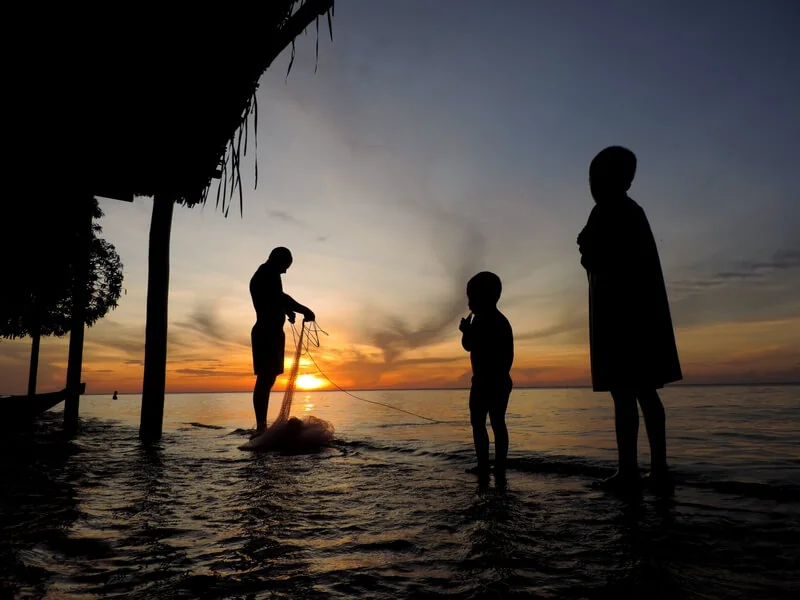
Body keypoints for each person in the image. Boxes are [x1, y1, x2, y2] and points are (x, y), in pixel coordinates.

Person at [577, 146, 682, 492]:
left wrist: (585, 246)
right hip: (636, 314)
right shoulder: (630, 211)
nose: (593, 185)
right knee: (643, 392)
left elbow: (601, 260)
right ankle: (655, 469)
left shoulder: (610, 211)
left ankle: (631, 471)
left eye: (596, 178)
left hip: (621, 316)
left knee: (627, 394)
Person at [250, 247, 315, 435]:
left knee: (268, 378)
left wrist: (286, 311)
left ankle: (261, 424)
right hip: (266, 333)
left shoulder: (269, 274)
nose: (286, 271)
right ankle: (261, 425)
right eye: (285, 266)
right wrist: (304, 310)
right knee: (265, 379)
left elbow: (271, 299)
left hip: (273, 333)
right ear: (277, 260)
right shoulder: (266, 273)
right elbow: (279, 297)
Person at [459, 271, 514, 478]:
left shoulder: (488, 321)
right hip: (494, 381)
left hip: (488, 381)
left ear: (486, 297)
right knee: (492, 423)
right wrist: (467, 331)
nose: (469, 304)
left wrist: (467, 332)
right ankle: (496, 466)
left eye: (472, 298)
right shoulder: (491, 320)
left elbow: (472, 344)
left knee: (485, 423)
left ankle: (488, 465)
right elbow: (469, 345)